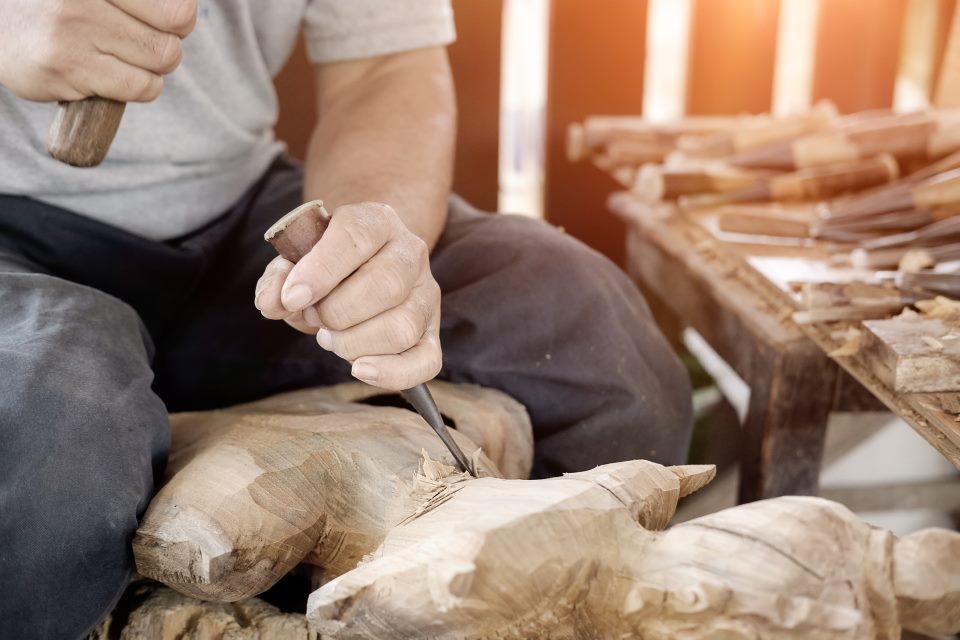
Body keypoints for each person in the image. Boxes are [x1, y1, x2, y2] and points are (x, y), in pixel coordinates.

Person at [0, 1, 693, 637]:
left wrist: (369, 248)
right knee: (53, 415)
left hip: (241, 221)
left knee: (586, 334)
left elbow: (383, 68)